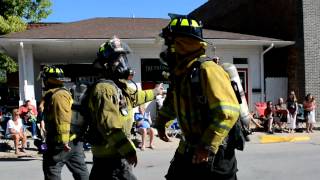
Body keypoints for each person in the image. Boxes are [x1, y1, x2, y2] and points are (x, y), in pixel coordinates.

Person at [155, 14, 241, 180]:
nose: (167, 49)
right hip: (188, 147)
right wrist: (161, 122)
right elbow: (173, 102)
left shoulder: (208, 70)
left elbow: (228, 113)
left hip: (214, 153)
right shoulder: (181, 73)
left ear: (183, 44)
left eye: (170, 43)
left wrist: (206, 146)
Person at [88, 36, 163, 180]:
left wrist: (154, 92)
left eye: (123, 58)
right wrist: (128, 150)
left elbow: (134, 98)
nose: (122, 63)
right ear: (105, 65)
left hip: (113, 154)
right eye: (117, 59)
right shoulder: (104, 89)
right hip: (111, 157)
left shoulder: (117, 86)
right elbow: (110, 126)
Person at [40, 65, 89, 180]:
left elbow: (63, 118)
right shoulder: (56, 93)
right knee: (81, 172)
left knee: (52, 169)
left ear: (48, 80)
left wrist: (64, 140)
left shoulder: (59, 95)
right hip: (72, 141)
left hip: (61, 143)